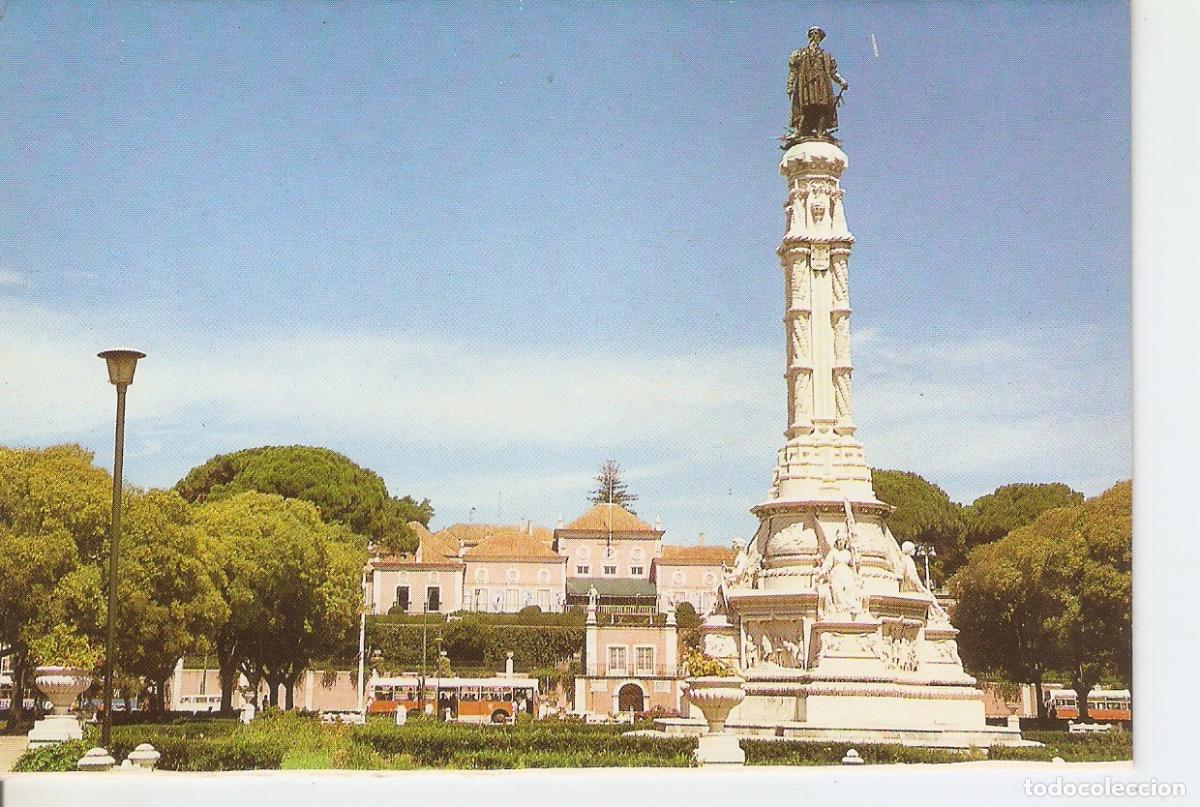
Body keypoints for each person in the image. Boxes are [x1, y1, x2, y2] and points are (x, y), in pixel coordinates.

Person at [787, 27, 849, 139]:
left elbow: (833, 72)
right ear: (809, 36)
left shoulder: (826, 56)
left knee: (822, 106)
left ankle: (820, 132)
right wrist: (790, 85)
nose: (814, 36)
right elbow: (793, 71)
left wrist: (841, 81)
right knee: (805, 106)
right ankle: (800, 130)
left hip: (821, 83)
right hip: (804, 83)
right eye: (813, 33)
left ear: (821, 38)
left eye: (817, 34)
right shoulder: (800, 53)